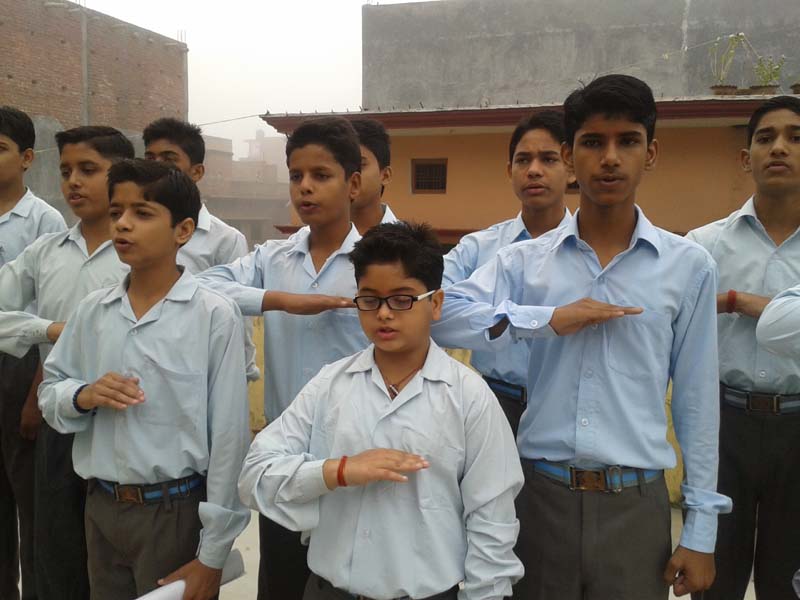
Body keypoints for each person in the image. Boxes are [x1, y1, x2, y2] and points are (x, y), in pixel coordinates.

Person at [431, 74, 731, 599]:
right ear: (570, 156)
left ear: (651, 153)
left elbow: (697, 401)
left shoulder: (689, 267)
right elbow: (442, 315)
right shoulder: (524, 262)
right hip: (540, 498)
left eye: (627, 141)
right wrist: (545, 318)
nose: (609, 158)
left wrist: (701, 529)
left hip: (636, 507)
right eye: (593, 142)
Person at [239, 221, 524, 600]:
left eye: (402, 299)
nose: (384, 314)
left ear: (436, 303)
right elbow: (255, 475)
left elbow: (492, 521)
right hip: (329, 591)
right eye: (370, 299)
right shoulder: (330, 385)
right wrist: (336, 471)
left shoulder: (469, 397)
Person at [38, 158, 250, 600]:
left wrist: (213, 552)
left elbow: (229, 437)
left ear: (183, 231)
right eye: (117, 212)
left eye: (142, 213)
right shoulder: (93, 311)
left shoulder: (213, 315)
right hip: (100, 506)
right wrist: (82, 395)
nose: (122, 224)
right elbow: (51, 390)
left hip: (174, 512)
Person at [197, 116, 369, 600]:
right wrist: (280, 300)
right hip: (284, 456)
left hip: (353, 454)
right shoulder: (272, 259)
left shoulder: (375, 263)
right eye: (296, 176)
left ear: (354, 184)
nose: (305, 187)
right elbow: (202, 285)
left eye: (321, 175)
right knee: (281, 581)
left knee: (347, 583)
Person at [0, 125, 133, 600]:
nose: (73, 181)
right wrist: (47, 329)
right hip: (60, 422)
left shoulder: (140, 254)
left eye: (88, 169)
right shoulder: (46, 253)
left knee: (117, 564)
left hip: (127, 424)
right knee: (57, 553)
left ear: (122, 175)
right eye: (66, 171)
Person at [686, 95, 800, 600]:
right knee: (715, 573)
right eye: (765, 137)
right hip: (723, 423)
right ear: (745, 157)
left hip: (798, 429)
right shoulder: (703, 247)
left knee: (787, 578)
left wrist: (738, 301)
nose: (779, 148)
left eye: (796, 137)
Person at [442, 110, 572, 434]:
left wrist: (489, 316)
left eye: (549, 159)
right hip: (493, 403)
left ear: (571, 167)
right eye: (523, 160)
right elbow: (433, 310)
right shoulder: (477, 248)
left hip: (567, 409)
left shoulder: (592, 251)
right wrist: (540, 320)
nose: (534, 170)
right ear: (509, 170)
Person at [0, 105, 66, 600]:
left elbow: (50, 313)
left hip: (21, 367)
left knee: (29, 501)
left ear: (26, 158)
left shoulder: (44, 221)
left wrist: (35, 394)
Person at [143, 117, 259, 382]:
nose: (156, 167)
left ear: (196, 172)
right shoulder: (129, 231)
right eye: (150, 158)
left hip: (199, 369)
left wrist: (241, 373)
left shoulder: (225, 239)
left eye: (169, 159)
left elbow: (237, 313)